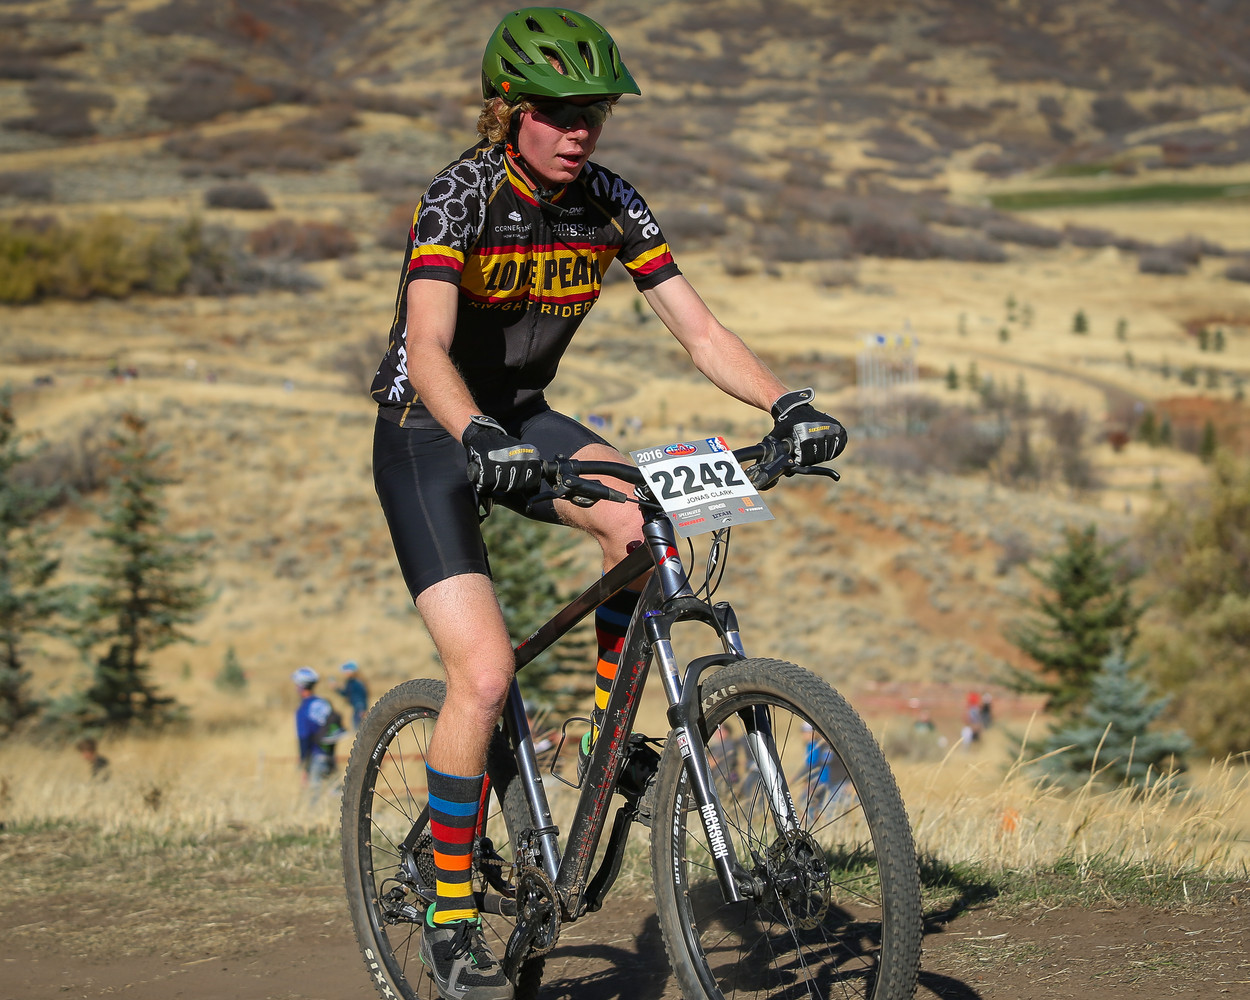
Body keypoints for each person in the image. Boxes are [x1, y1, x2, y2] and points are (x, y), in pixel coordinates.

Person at [368, 9, 846, 999]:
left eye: (592, 112)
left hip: (522, 419)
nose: (578, 130)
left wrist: (786, 405)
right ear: (509, 112)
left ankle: (602, 738)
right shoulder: (460, 195)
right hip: (430, 432)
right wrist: (475, 435)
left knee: (641, 518)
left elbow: (698, 329)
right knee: (484, 675)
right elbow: (427, 345)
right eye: (557, 113)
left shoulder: (610, 202)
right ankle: (449, 912)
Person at [292, 666, 345, 796]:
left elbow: (304, 737)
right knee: (337, 794)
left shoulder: (303, 709)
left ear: (300, 686)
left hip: (315, 756)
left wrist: (304, 764)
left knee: (314, 795)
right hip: (330, 755)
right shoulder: (324, 703)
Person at [335, 660, 369, 729]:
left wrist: (362, 709)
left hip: (359, 706)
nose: (345, 673)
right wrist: (336, 688)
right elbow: (346, 693)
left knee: (358, 725)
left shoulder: (357, 682)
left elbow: (362, 695)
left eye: (347, 671)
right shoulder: (350, 682)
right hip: (357, 707)